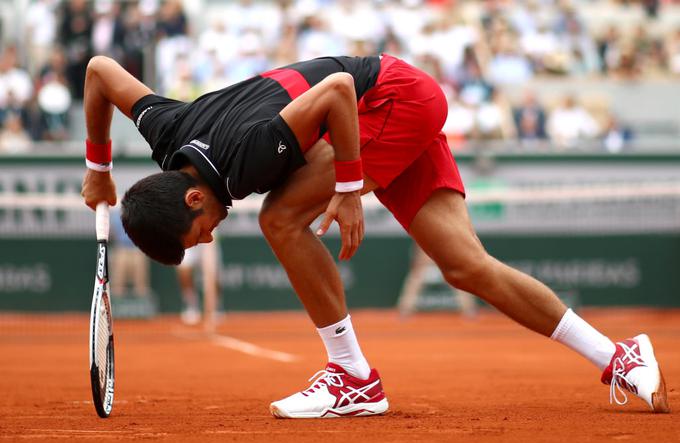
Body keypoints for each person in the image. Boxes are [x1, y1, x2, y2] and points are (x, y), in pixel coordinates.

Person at [81, 54, 669, 418]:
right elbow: (100, 72)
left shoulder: (249, 156)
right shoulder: (167, 131)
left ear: (192, 197)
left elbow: (338, 88)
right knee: (466, 268)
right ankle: (620, 356)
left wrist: (347, 186)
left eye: (197, 234)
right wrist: (99, 170)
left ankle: (355, 378)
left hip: (390, 98)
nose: (207, 242)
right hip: (391, 100)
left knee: (278, 219)